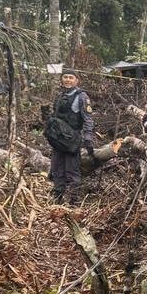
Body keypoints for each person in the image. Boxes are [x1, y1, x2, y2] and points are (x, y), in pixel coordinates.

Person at [44, 68, 94, 203]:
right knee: (57, 169)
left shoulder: (82, 97)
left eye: (71, 77)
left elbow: (88, 119)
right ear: (62, 79)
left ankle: (73, 201)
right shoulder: (60, 96)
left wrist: (88, 137)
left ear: (77, 80)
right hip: (58, 140)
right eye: (65, 77)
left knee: (72, 172)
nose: (67, 80)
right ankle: (57, 199)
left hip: (72, 141)